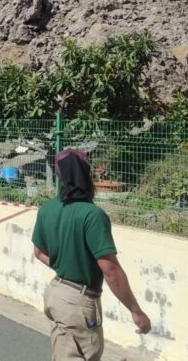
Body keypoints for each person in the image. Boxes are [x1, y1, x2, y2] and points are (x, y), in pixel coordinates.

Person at [31, 149, 150, 360]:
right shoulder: (92, 215)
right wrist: (136, 311)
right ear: (85, 175)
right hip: (78, 302)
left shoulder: (47, 208)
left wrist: (66, 266)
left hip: (57, 294)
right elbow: (110, 270)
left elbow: (39, 253)